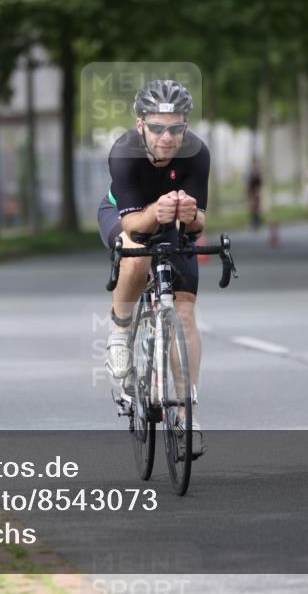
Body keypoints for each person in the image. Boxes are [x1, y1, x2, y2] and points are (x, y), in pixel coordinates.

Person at [98, 79, 208, 456]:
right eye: (158, 128)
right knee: (138, 251)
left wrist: (190, 217)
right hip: (124, 215)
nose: (167, 137)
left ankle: (186, 413)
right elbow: (133, 226)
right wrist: (157, 211)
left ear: (186, 127)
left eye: (176, 128)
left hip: (172, 220)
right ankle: (119, 331)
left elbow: (200, 223)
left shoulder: (196, 153)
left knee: (186, 315)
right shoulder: (124, 151)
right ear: (140, 123)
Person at [246, 157, 263, 229]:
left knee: (256, 207)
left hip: (255, 192)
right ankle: (254, 221)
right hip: (251, 192)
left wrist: (258, 191)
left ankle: (256, 222)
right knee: (252, 207)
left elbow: (259, 183)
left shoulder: (257, 173)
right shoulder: (251, 173)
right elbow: (248, 183)